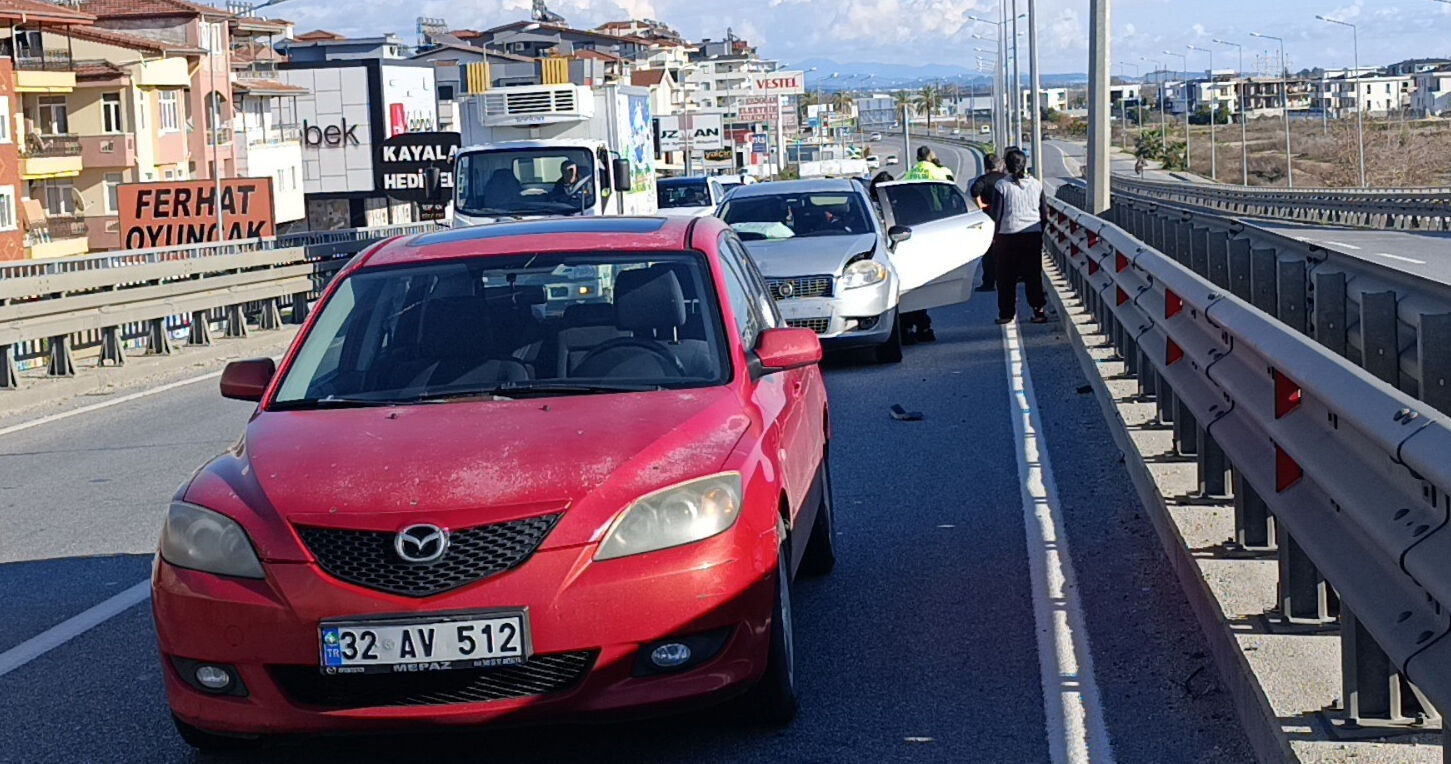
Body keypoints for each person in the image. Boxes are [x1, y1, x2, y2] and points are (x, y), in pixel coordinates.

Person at [991, 147, 1048, 325]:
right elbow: (1044, 214)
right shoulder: (1037, 184)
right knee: (1033, 275)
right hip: (1033, 236)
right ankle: (1038, 310)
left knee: (1006, 277)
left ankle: (1006, 314)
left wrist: (994, 236)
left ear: (1006, 166)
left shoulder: (1002, 186)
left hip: (1008, 236)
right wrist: (1039, 230)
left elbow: (996, 215)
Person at [969, 153, 1008, 292]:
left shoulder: (983, 180)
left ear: (986, 166)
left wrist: (981, 204)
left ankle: (989, 282)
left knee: (989, 252)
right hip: (1005, 217)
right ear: (1000, 165)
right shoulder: (1006, 179)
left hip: (988, 217)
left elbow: (974, 191)